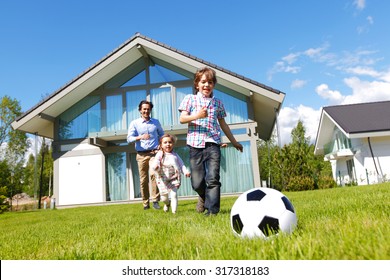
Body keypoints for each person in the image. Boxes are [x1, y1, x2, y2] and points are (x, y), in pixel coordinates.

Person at [178, 67, 243, 216]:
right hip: (195, 145)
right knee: (197, 182)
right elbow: (182, 119)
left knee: (213, 178)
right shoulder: (190, 99)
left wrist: (234, 141)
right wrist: (197, 115)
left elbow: (223, 124)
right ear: (197, 84)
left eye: (210, 82)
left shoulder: (217, 103)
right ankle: (202, 196)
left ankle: (213, 211)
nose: (207, 85)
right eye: (203, 82)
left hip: (213, 143)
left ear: (214, 85)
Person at [127, 100, 164, 210]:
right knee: (143, 180)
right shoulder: (135, 123)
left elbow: (162, 134)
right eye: (144, 109)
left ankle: (155, 201)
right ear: (140, 110)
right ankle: (145, 203)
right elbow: (129, 138)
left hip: (154, 154)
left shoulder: (156, 122)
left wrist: (161, 144)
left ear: (150, 110)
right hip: (141, 155)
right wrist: (140, 137)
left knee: (154, 175)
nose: (146, 111)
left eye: (148, 109)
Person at [150, 134, 191, 214]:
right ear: (161, 145)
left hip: (174, 177)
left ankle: (174, 212)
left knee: (174, 194)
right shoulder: (160, 154)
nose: (168, 144)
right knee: (164, 197)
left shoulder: (175, 155)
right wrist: (156, 166)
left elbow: (181, 164)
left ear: (173, 144)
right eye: (165, 142)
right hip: (162, 178)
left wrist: (185, 172)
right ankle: (167, 204)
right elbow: (157, 161)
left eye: (170, 142)